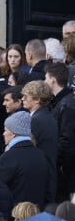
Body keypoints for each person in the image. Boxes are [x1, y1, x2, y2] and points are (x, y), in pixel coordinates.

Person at [0, 111, 50, 209]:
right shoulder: (41, 155)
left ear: (13, 133)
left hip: (15, 216)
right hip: (37, 214)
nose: (3, 134)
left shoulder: (8, 157)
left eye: (5, 130)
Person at [22, 80, 58, 203]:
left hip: (40, 177)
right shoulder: (47, 116)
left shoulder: (36, 120)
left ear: (37, 99)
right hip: (48, 173)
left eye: (26, 96)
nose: (22, 99)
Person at [45, 62, 75, 200]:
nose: (45, 82)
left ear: (52, 80)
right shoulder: (61, 102)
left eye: (46, 78)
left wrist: (60, 166)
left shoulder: (66, 104)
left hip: (65, 173)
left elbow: (66, 140)